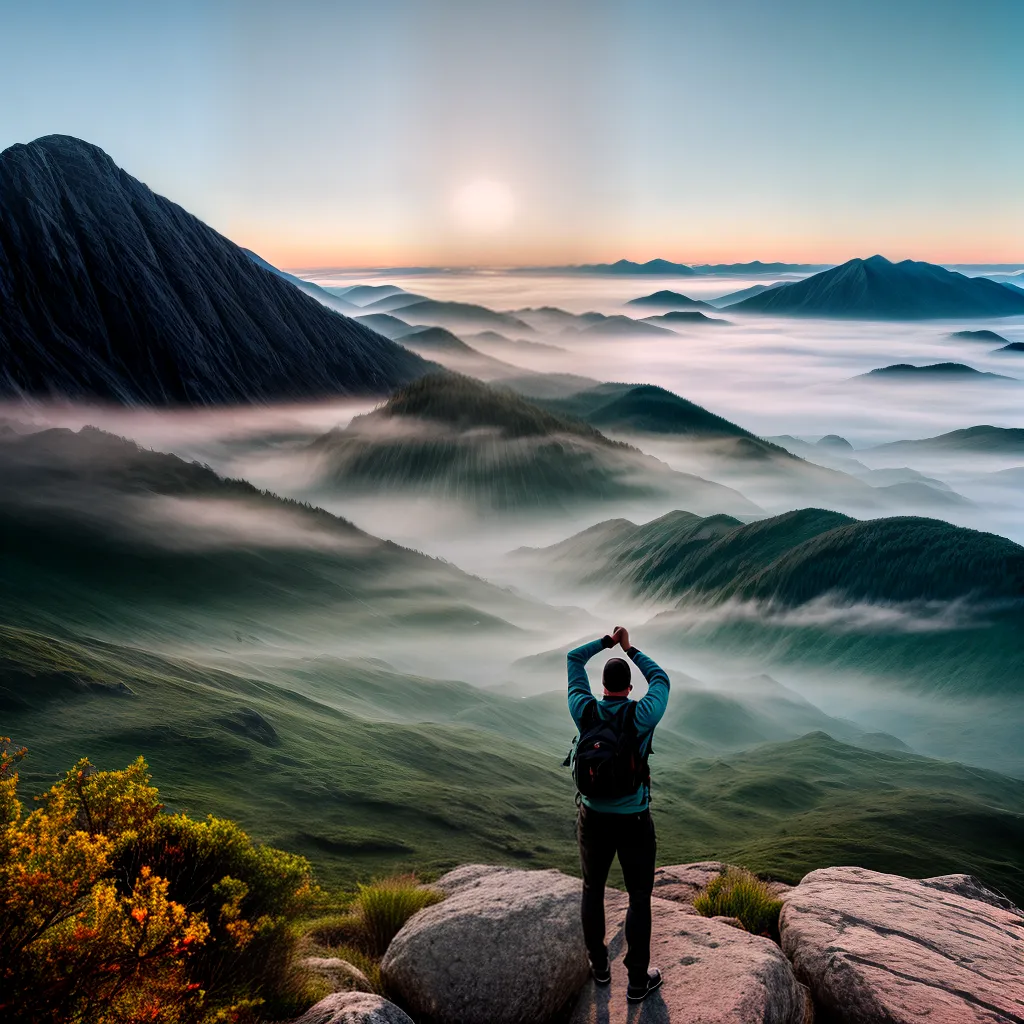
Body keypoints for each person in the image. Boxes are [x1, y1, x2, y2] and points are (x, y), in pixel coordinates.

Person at [567, 624, 670, 1004]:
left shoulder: (584, 708)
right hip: (634, 821)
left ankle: (599, 967)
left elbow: (573, 659)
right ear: (628, 688)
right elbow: (661, 678)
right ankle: (638, 982)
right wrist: (630, 649)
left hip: (593, 819)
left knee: (592, 890)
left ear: (603, 687)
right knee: (639, 897)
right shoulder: (642, 715)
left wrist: (604, 643)